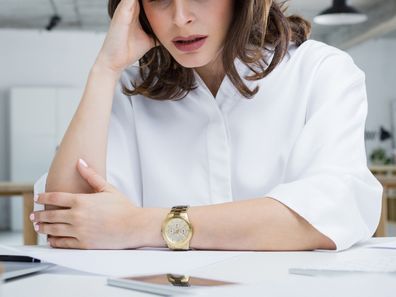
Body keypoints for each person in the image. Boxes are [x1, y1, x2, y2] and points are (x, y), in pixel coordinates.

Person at [31, 0, 382, 251]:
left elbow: (325, 215)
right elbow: (66, 223)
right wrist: (105, 68)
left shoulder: (321, 72)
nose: (180, 17)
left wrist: (136, 225)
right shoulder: (128, 88)